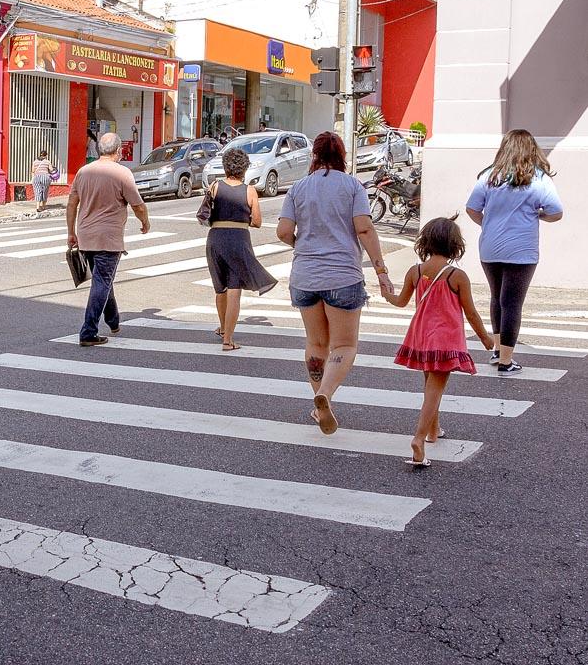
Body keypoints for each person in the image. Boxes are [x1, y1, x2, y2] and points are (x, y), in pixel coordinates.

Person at [277, 132, 394, 435]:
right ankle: (325, 395)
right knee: (345, 344)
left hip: (305, 276)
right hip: (343, 275)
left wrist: (300, 244)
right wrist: (381, 271)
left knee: (316, 343)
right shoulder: (353, 185)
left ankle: (319, 404)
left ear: (313, 155)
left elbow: (283, 231)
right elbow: (365, 229)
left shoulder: (298, 188)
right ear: (342, 155)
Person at [384, 216, 494, 467]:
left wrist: (385, 293)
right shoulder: (457, 275)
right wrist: (485, 338)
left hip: (421, 337)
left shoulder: (416, 271)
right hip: (445, 339)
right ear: (454, 245)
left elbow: (401, 301)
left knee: (429, 384)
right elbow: (471, 313)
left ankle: (434, 430)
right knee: (435, 388)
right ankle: (419, 439)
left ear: (426, 241)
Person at [465, 128, 563, 375]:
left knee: (497, 297)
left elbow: (472, 208)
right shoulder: (538, 179)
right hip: (521, 250)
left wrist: (487, 223)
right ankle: (506, 362)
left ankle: (497, 351)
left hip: (490, 246)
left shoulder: (489, 176)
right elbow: (556, 212)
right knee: (512, 303)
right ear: (531, 150)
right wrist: (537, 214)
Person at [67, 131, 151, 346]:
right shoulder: (122, 173)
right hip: (108, 237)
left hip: (86, 236)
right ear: (119, 151)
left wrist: (71, 232)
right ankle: (88, 332)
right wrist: (145, 222)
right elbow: (138, 205)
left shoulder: (83, 172)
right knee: (102, 281)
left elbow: (71, 204)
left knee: (102, 279)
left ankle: (113, 320)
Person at [206, 147, 278, 350]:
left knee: (220, 288)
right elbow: (257, 222)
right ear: (244, 169)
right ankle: (228, 339)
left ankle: (222, 328)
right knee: (234, 290)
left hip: (215, 238)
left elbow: (205, 214)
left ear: (225, 167)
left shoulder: (214, 186)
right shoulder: (249, 191)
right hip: (238, 239)